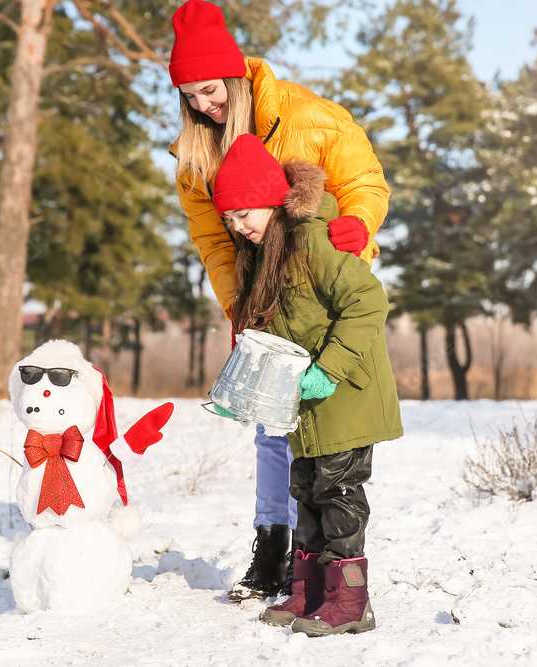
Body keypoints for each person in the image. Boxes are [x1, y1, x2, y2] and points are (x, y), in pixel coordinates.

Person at [168, 0, 392, 601]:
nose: (202, 106)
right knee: (271, 425)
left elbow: (364, 183)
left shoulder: (309, 116)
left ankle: (327, 569)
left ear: (235, 76)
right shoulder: (196, 152)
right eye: (189, 96)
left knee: (323, 435)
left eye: (210, 91)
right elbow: (213, 239)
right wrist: (236, 308)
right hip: (259, 294)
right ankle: (275, 546)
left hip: (320, 286)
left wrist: (361, 227)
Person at [211, 133, 403, 636]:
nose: (238, 226)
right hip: (303, 405)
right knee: (306, 491)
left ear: (272, 202)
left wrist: (328, 370)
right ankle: (310, 589)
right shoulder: (264, 257)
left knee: (339, 495)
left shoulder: (313, 241)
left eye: (244, 213)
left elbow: (368, 304)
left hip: (345, 395)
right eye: (229, 218)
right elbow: (269, 335)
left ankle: (351, 601)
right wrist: (245, 389)